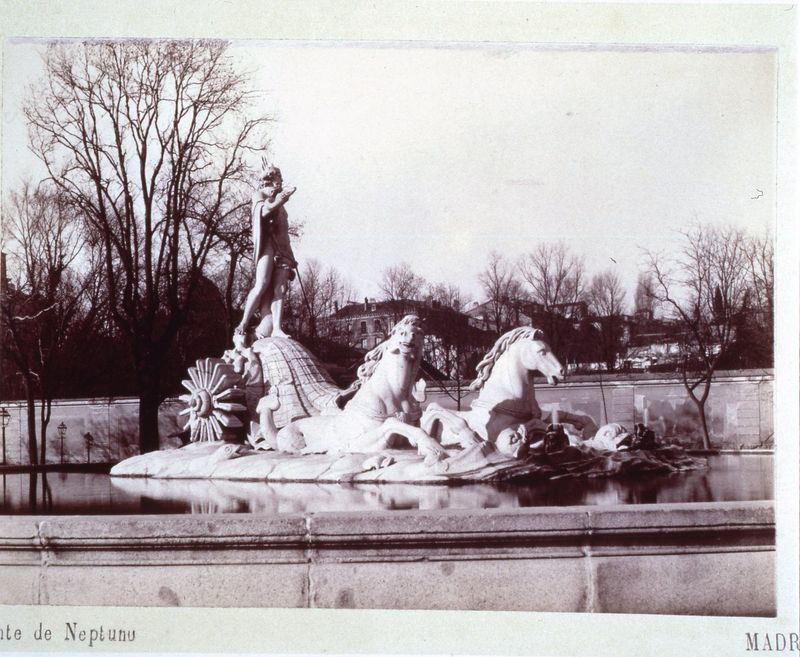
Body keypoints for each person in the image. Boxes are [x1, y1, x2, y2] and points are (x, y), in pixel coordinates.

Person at [236, 165, 297, 341]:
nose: (281, 181)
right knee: (262, 283)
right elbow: (263, 211)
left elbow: (284, 232)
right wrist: (281, 199)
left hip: (283, 249)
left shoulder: (280, 203)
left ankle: (277, 328)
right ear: (271, 178)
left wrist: (291, 256)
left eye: (281, 178)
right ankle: (244, 323)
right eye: (279, 177)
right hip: (267, 245)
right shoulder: (259, 194)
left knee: (281, 289)